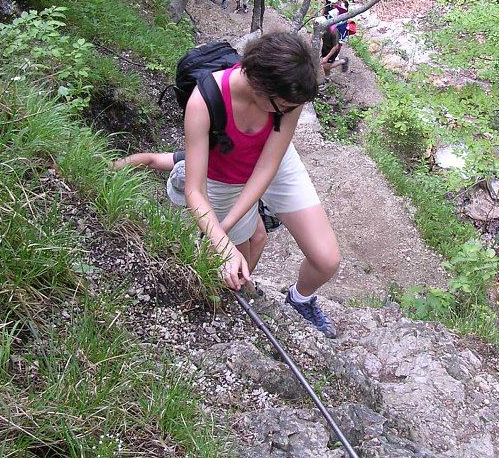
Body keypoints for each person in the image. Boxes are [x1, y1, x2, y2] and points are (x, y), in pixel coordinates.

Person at [159, 33, 340, 337]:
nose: (288, 111)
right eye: (283, 106)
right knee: (234, 266)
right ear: (259, 86)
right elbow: (195, 190)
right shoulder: (204, 101)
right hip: (224, 172)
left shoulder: (289, 93)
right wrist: (223, 243)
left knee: (327, 259)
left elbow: (268, 166)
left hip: (274, 158)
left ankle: (299, 299)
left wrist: (226, 226)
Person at [114, 150, 270, 290]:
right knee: (257, 237)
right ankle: (245, 285)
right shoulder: (192, 158)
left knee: (246, 244)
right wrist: (113, 166)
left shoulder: (217, 195)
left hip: (237, 197)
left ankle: (244, 286)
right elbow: (150, 159)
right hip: (239, 189)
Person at [320, 13, 349, 82]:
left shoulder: (334, 32)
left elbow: (336, 46)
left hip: (333, 49)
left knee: (326, 66)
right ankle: (327, 78)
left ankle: (343, 61)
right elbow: (314, 34)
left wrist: (327, 57)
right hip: (325, 47)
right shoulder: (320, 28)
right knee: (325, 64)